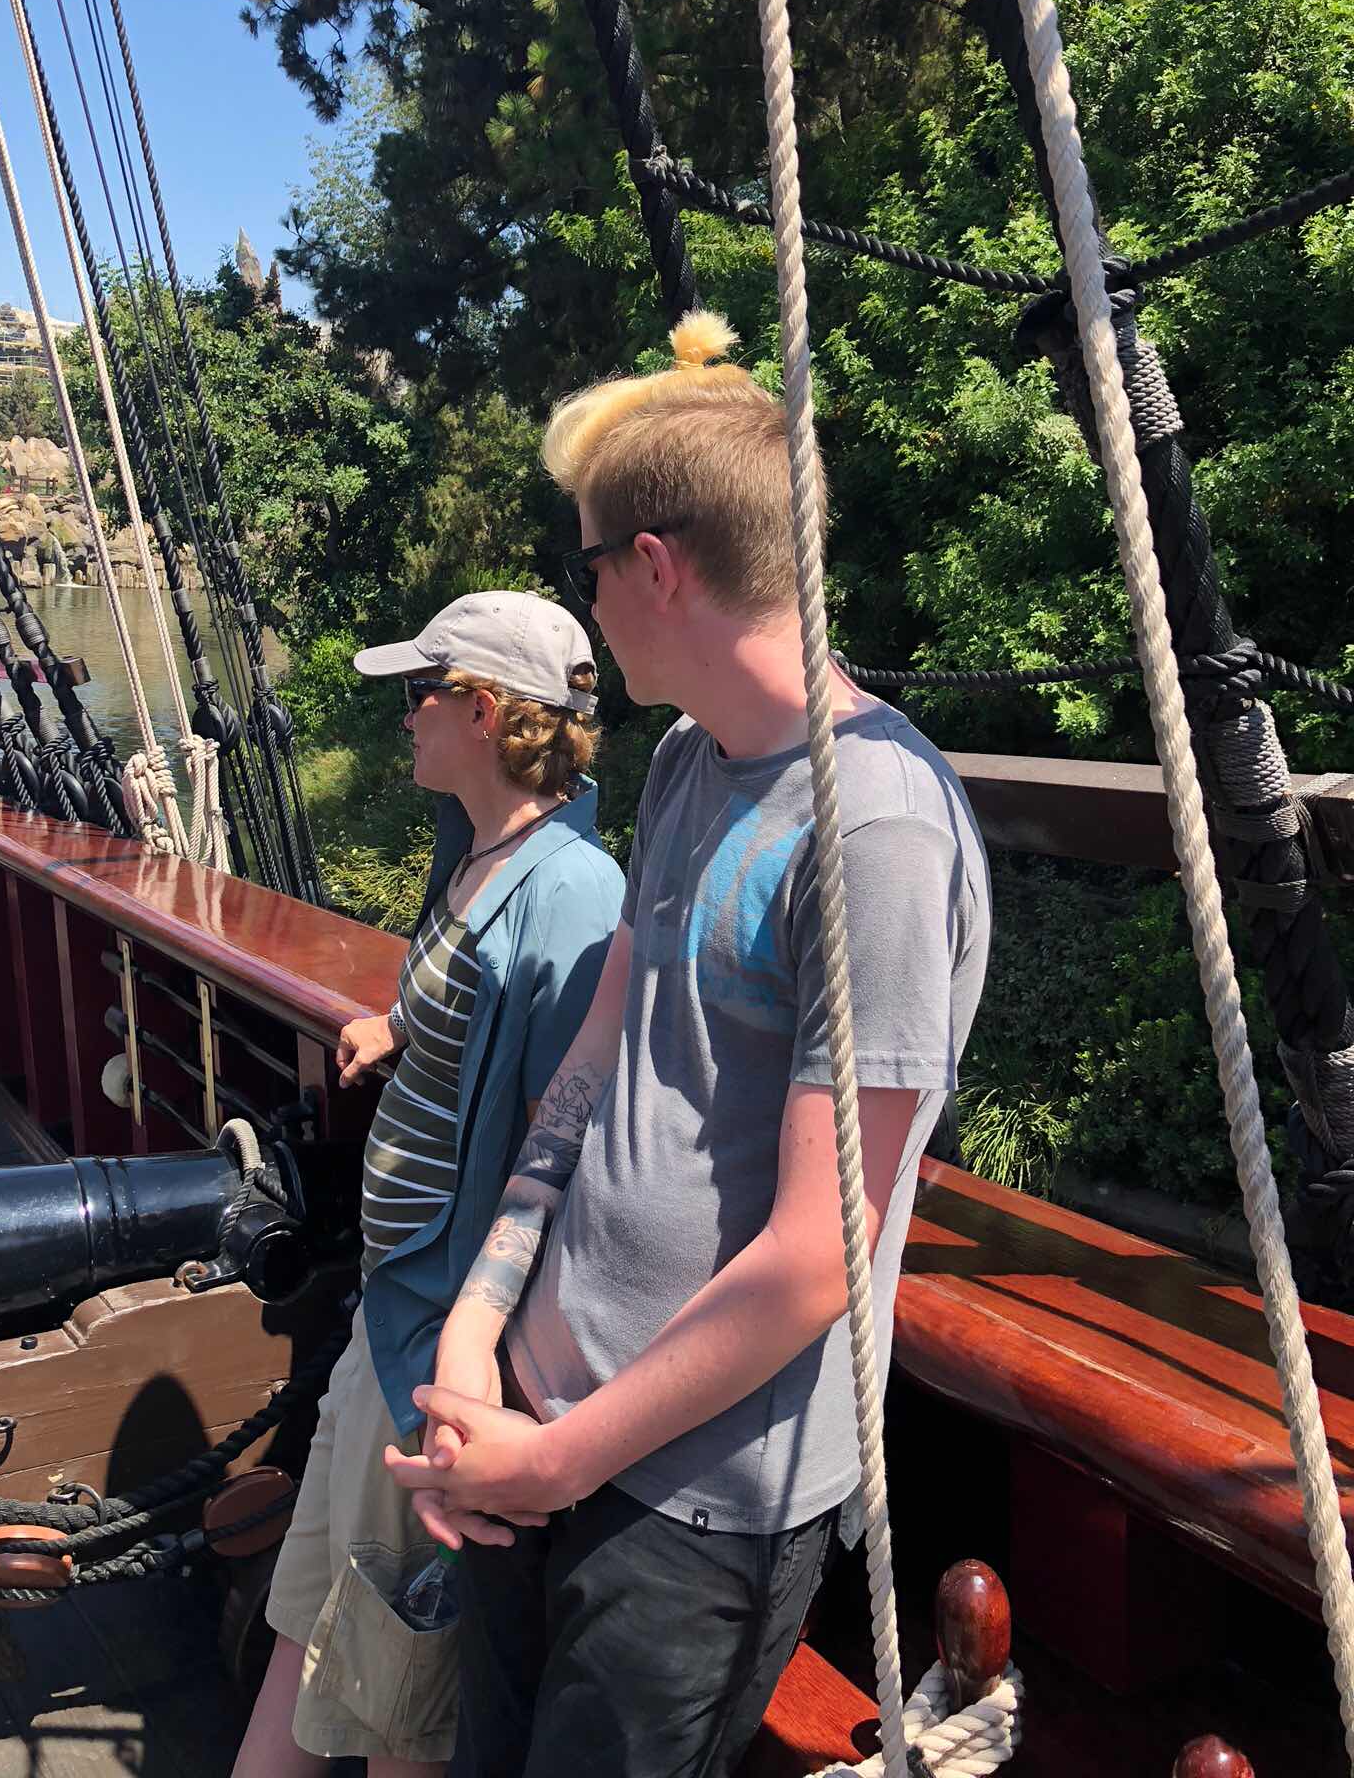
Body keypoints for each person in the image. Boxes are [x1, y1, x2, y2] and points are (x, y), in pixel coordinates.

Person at [385, 313, 992, 1778]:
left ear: (653, 566)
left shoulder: (880, 832)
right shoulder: (683, 763)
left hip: (692, 1504)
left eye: (589, 564)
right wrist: (478, 1327)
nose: (587, 603)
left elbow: (818, 1256)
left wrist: (559, 1461)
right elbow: (595, 1058)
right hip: (534, 1414)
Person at [232, 589, 624, 1778]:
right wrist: (397, 1024)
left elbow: (561, 1144)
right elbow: (465, 997)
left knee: (395, 1686)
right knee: (310, 1626)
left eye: (421, 693)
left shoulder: (575, 894)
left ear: (486, 711)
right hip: (388, 1309)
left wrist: (476, 1361)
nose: (404, 717)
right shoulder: (474, 852)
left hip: (437, 1351)